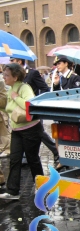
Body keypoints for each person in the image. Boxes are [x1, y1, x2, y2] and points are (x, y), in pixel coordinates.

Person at [0, 63, 44, 200]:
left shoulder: (24, 87)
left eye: (6, 75)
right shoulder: (10, 88)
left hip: (31, 129)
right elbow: (8, 108)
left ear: (15, 76)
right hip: (17, 129)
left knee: (32, 159)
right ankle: (13, 191)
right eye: (3, 74)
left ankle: (41, 188)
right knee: (14, 159)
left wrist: (15, 97)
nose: (4, 77)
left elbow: (29, 104)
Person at [10, 57, 60, 167]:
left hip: (32, 109)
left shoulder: (32, 73)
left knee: (39, 132)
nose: (10, 63)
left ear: (19, 61)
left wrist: (36, 102)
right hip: (19, 109)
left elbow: (44, 88)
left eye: (12, 61)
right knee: (24, 133)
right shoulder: (14, 76)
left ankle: (55, 151)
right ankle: (24, 157)